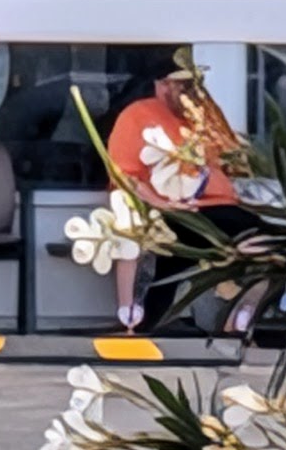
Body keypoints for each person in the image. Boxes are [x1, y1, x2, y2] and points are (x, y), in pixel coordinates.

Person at [99, 59, 243, 332]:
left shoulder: (204, 114)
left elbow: (229, 161)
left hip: (213, 204)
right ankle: (145, 317)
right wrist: (161, 202)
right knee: (181, 247)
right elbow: (125, 176)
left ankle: (240, 315)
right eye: (182, 84)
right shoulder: (138, 115)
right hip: (168, 207)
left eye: (192, 84)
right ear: (162, 84)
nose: (189, 91)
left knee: (260, 235)